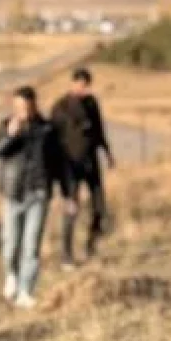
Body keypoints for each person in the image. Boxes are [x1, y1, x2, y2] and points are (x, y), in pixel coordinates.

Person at [0, 86, 74, 308]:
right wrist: (9, 136)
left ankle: (26, 291)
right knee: (11, 244)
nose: (22, 110)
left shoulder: (47, 130)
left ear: (34, 106)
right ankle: (11, 276)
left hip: (39, 193)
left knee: (31, 245)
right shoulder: (6, 126)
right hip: (13, 193)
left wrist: (67, 195)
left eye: (26, 106)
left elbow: (59, 164)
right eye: (18, 107)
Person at [49, 68, 115, 268]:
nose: (84, 89)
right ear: (73, 83)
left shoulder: (92, 103)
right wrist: (56, 170)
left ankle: (91, 246)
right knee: (72, 208)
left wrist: (107, 152)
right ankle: (66, 255)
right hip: (70, 165)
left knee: (99, 206)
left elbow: (99, 129)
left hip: (91, 162)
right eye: (80, 85)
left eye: (87, 85)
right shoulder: (61, 107)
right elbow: (53, 139)